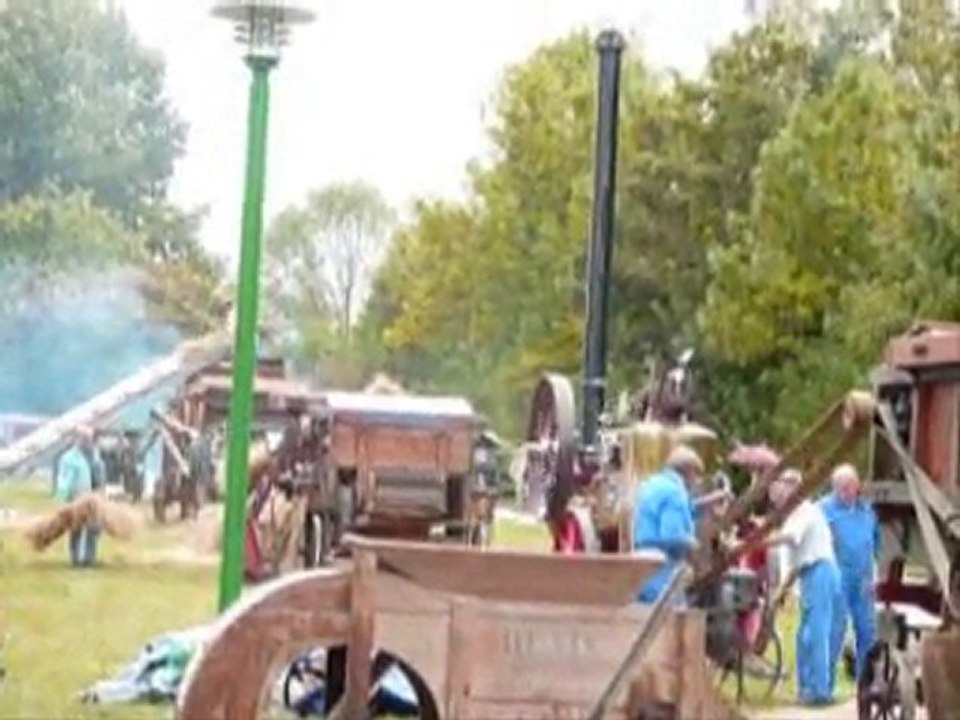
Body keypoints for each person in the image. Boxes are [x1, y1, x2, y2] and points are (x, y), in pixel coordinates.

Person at [738, 468, 841, 706]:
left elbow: (790, 539)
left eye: (780, 486)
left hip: (820, 571)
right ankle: (806, 689)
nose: (775, 491)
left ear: (794, 487)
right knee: (803, 636)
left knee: (816, 633)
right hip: (807, 574)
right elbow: (792, 561)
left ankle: (820, 692)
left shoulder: (806, 511)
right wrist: (782, 591)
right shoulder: (792, 515)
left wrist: (753, 542)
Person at [820, 463, 881, 681]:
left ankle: (865, 679)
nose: (847, 492)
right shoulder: (824, 510)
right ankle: (826, 680)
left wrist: (875, 575)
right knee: (835, 628)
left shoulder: (867, 511)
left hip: (863, 577)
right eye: (841, 487)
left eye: (850, 486)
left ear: (857, 486)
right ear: (834, 488)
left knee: (867, 629)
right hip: (838, 575)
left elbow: (876, 545)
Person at [632, 444, 704, 604]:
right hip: (662, 567)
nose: (697, 482)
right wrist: (693, 544)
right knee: (670, 620)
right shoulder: (675, 492)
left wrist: (705, 504)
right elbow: (671, 534)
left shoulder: (652, 484)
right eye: (696, 475)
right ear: (688, 471)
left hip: (640, 562)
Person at [54, 427, 101, 567]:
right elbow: (63, 480)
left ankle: (89, 559)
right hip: (75, 498)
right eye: (85, 438)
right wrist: (61, 499)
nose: (88, 441)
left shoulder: (95, 455)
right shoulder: (68, 458)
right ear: (78, 439)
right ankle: (75, 559)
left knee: (94, 528)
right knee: (76, 529)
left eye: (90, 438)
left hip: (92, 497)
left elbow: (98, 474)